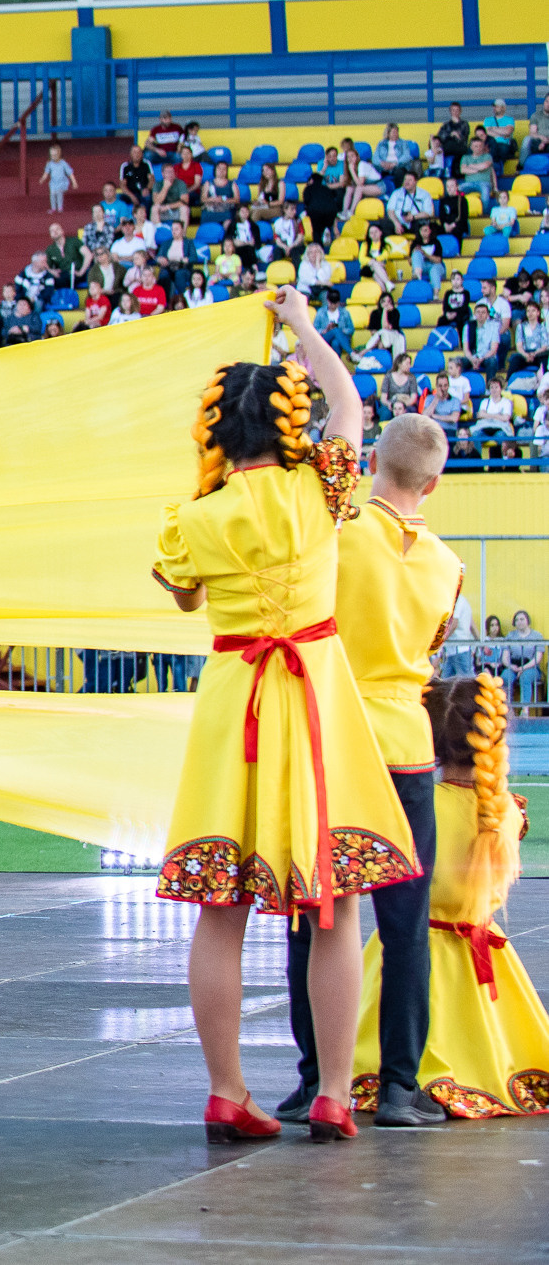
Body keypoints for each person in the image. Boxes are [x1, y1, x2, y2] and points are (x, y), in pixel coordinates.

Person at [152, 287, 416, 1145]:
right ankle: (336, 1092)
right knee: (332, 901)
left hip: (239, 704)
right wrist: (302, 324)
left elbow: (186, 597)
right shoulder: (321, 487)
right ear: (286, 422)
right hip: (316, 696)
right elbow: (352, 405)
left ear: (216, 433)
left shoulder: (194, 518)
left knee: (218, 908)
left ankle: (228, 1088)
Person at [276, 413, 461, 1130]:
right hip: (406, 742)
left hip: (335, 734)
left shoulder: (339, 535)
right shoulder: (448, 563)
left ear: (374, 458)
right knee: (407, 923)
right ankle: (397, 1085)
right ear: (435, 483)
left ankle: (316, 1077)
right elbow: (433, 657)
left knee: (314, 914)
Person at [346, 673, 549, 1116]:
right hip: (483, 962)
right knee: (496, 1055)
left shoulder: (415, 807)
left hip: (408, 950)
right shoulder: (507, 811)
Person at [44, 145, 74, 214]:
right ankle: (53, 208)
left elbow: (70, 172)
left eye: (55, 155)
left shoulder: (63, 163)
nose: (53, 157)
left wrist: (74, 181)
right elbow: (46, 172)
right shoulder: (50, 163)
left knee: (59, 194)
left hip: (61, 182)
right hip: (53, 182)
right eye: (52, 155)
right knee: (52, 194)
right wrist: (43, 178)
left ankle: (60, 207)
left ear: (59, 154)